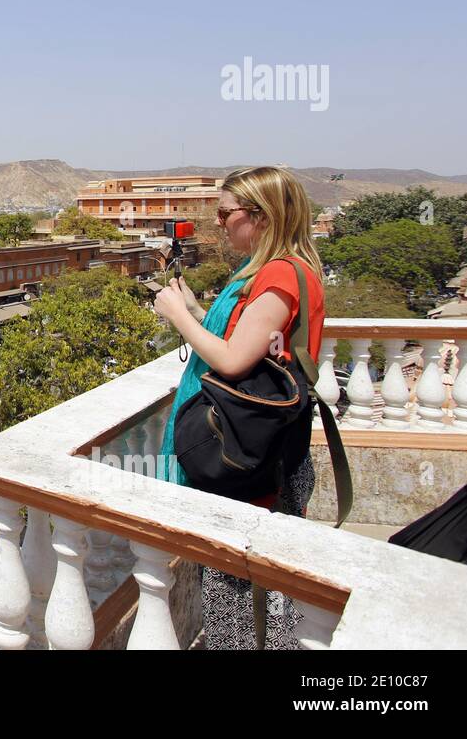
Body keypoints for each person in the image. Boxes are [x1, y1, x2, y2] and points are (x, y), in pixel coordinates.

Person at [153, 165, 326, 651]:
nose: (220, 223)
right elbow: (248, 343)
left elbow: (231, 360)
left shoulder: (278, 278)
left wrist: (178, 316)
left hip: (249, 460)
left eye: (226, 213)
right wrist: (199, 307)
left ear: (261, 216)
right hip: (268, 449)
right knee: (266, 598)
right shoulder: (288, 271)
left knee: (241, 605)